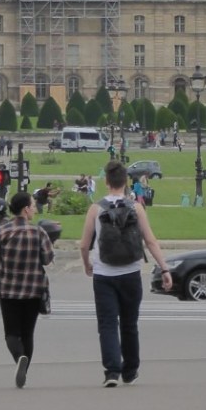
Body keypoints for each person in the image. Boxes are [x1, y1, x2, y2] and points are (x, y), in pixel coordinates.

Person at [80, 159, 173, 387]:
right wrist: (164, 268)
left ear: (107, 182)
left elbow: (84, 244)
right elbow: (150, 240)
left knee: (108, 324)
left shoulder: (96, 208)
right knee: (130, 323)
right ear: (125, 182)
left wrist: (87, 264)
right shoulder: (136, 207)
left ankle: (112, 371)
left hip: (104, 273)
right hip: (131, 272)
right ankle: (130, 370)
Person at [0, 190, 54, 389]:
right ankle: (24, 368)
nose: (34, 209)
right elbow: (48, 258)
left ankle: (19, 358)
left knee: (11, 333)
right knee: (28, 333)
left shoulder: (2, 231)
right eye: (33, 205)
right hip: (33, 289)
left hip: (9, 290)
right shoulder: (38, 232)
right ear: (25, 210)